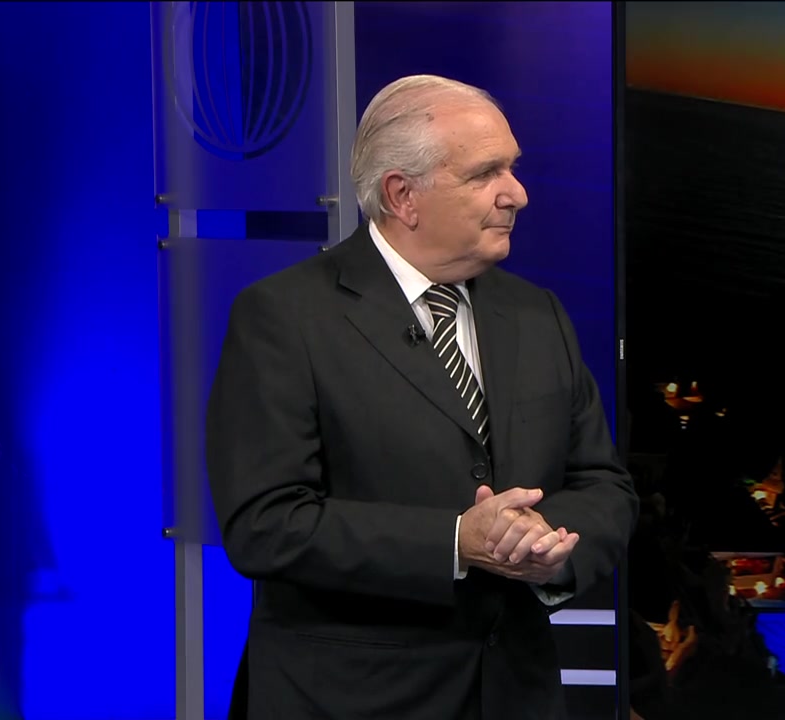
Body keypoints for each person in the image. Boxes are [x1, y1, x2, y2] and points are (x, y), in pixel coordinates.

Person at [205, 74, 639, 720]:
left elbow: (605, 486)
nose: (517, 194)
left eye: (513, 168)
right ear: (402, 195)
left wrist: (546, 547)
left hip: (515, 696)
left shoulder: (538, 314)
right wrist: (456, 541)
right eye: (485, 174)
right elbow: (264, 524)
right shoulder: (285, 317)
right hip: (352, 701)